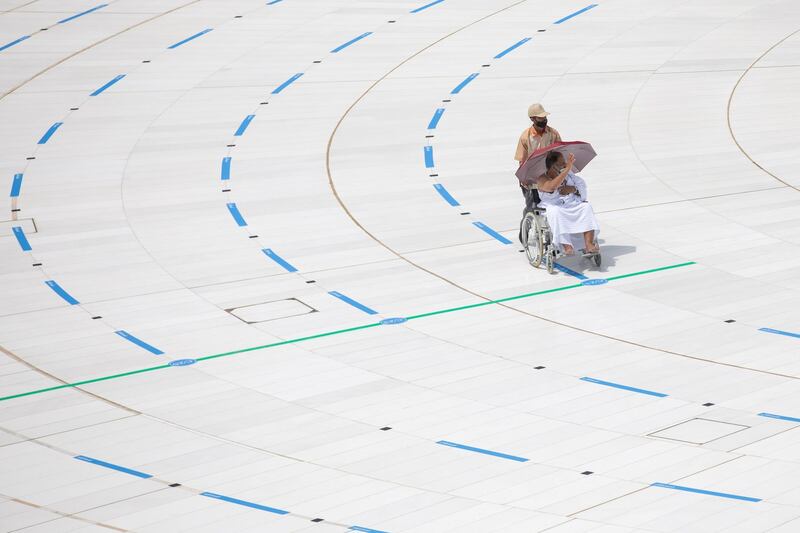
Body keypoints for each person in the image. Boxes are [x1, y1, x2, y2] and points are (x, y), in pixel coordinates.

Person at [536, 151, 600, 255]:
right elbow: (552, 186)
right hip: (553, 205)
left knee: (586, 207)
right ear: (553, 166)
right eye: (562, 163)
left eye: (565, 163)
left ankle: (588, 244)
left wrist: (572, 189)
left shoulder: (568, 175)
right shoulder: (542, 179)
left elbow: (582, 187)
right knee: (556, 211)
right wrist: (566, 170)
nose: (565, 165)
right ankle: (567, 245)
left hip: (570, 204)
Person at [515, 103, 563, 217]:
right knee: (532, 208)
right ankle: (525, 232)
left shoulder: (553, 134)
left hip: (549, 176)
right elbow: (522, 160)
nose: (544, 119)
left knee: (552, 208)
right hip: (532, 178)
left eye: (544, 117)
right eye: (540, 118)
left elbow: (560, 152)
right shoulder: (525, 137)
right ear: (532, 119)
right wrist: (524, 178)